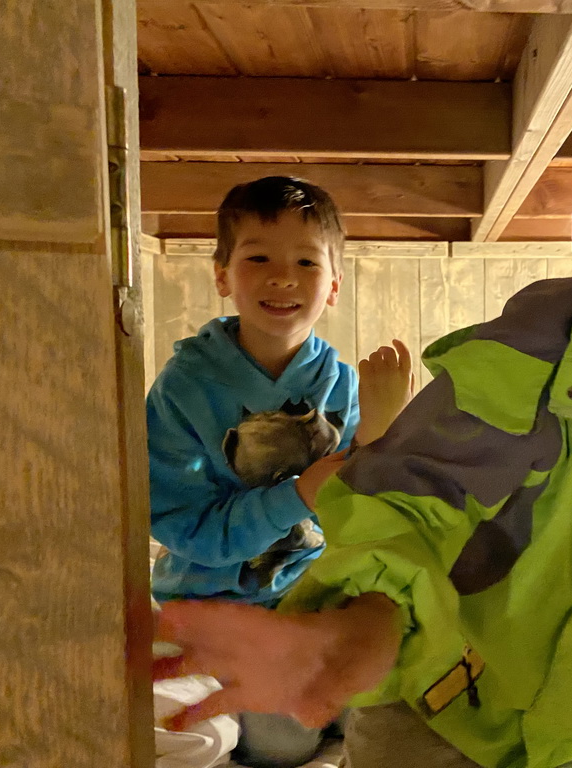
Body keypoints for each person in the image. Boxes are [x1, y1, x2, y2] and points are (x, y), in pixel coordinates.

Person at [153, 87, 572, 768]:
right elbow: (403, 514)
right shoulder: (508, 378)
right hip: (439, 682)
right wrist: (356, 632)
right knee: (287, 734)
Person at [147, 176, 411, 768]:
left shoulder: (345, 386)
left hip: (315, 615)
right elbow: (183, 527)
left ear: (334, 285)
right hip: (210, 613)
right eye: (258, 257)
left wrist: (384, 429)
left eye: (306, 262)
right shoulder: (184, 389)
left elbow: (381, 513)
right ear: (223, 275)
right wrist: (295, 496)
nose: (282, 277)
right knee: (176, 729)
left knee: (392, 706)